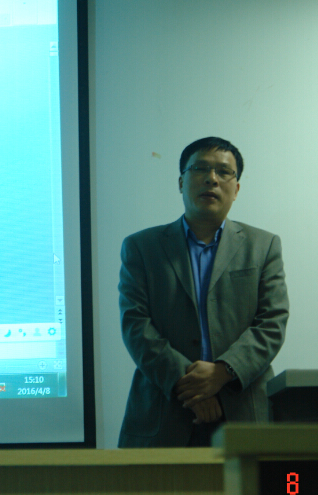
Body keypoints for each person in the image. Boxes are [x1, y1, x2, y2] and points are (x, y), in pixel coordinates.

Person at [118, 137, 289, 447]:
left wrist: (222, 373)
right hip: (164, 414)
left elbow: (272, 323)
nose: (212, 178)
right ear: (180, 182)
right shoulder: (141, 248)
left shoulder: (263, 246)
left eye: (224, 172)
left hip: (243, 411)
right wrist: (193, 387)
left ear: (236, 189)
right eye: (200, 169)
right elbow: (136, 326)